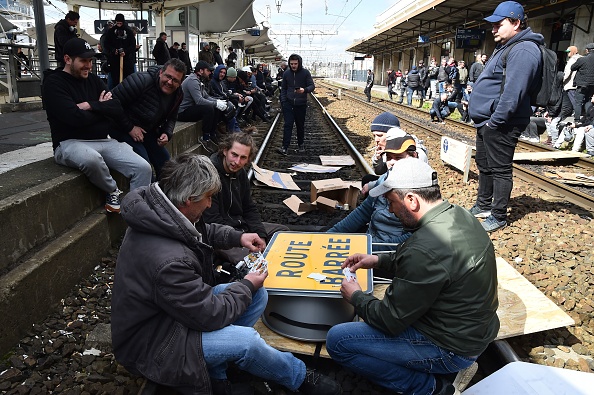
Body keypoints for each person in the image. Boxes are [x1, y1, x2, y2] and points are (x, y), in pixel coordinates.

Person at [111, 152, 341, 395]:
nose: (210, 204)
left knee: (258, 295)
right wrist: (247, 283)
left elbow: (202, 231)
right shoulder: (169, 261)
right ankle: (299, 376)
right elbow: (210, 315)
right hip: (154, 345)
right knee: (247, 342)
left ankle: (217, 375)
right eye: (208, 198)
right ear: (189, 199)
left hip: (170, 317)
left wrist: (238, 237)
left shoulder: (162, 211)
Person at [326, 157, 499, 395]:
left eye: (391, 202)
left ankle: (432, 388)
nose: (389, 209)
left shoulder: (425, 249)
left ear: (411, 200)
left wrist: (355, 296)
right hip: (472, 334)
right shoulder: (457, 214)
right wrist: (378, 260)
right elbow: (425, 262)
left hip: (451, 349)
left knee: (338, 341)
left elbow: (388, 320)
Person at [42, 38, 152, 213]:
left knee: (143, 167)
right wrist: (102, 111)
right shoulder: (54, 83)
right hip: (69, 143)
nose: (88, 65)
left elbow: (116, 107)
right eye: (83, 61)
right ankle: (112, 190)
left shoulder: (93, 80)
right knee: (91, 159)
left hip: (103, 140)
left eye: (90, 61)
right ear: (68, 59)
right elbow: (74, 118)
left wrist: (91, 105)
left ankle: (138, 214)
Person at [468, 1, 543, 232]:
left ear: (516, 22)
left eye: (498, 24)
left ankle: (499, 215)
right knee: (485, 164)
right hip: (488, 120)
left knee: (500, 169)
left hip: (502, 122)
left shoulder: (524, 49)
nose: (493, 29)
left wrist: (495, 122)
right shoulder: (508, 45)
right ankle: (483, 205)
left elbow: (514, 92)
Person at [328, 129, 427, 255]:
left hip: (390, 255)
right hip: (372, 241)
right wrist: (328, 236)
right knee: (332, 228)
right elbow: (363, 212)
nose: (392, 163)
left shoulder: (421, 190)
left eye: (399, 158)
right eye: (389, 157)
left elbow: (410, 239)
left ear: (414, 156)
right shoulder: (384, 179)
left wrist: (365, 250)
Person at [203, 133, 289, 264]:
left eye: (243, 158)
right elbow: (212, 220)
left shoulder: (240, 173)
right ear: (225, 151)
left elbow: (249, 208)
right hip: (221, 234)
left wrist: (260, 234)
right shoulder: (210, 175)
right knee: (248, 259)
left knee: (283, 233)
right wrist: (240, 238)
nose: (237, 162)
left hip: (241, 227)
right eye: (234, 155)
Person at [110, 58, 185, 181]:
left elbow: (172, 116)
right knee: (144, 165)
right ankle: (147, 194)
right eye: (168, 76)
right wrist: (130, 128)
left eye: (175, 80)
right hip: (121, 128)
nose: (170, 82)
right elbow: (111, 103)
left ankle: (165, 193)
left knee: (166, 163)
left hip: (147, 131)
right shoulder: (141, 80)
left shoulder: (178, 94)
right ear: (161, 72)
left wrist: (167, 133)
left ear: (180, 83)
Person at [178, 60, 228, 148]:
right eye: (208, 70)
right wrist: (215, 103)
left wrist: (217, 101)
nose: (209, 73)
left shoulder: (198, 80)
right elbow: (199, 100)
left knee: (215, 107)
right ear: (201, 71)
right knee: (208, 109)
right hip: (183, 111)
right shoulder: (192, 81)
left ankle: (212, 133)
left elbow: (206, 96)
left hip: (192, 108)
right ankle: (205, 138)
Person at [277, 53, 315, 155]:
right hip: (288, 104)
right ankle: (285, 147)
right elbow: (283, 88)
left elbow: (312, 86)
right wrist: (284, 101)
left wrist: (305, 90)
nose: (293, 65)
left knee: (300, 125)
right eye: (292, 63)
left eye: (295, 63)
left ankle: (301, 144)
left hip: (301, 104)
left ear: (299, 63)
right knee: (288, 125)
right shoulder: (286, 74)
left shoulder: (305, 73)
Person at [103, 13, 136, 88]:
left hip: (127, 62)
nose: (119, 25)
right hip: (115, 62)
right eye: (117, 23)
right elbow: (106, 44)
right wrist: (113, 50)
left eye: (120, 23)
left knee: (127, 81)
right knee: (115, 80)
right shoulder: (111, 32)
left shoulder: (129, 32)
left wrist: (125, 52)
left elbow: (132, 45)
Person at [570, 42, 594, 122]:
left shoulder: (582, 59)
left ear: (587, 50)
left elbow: (573, 67)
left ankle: (577, 119)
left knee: (578, 102)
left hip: (582, 84)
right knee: (588, 101)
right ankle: (588, 118)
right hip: (592, 85)